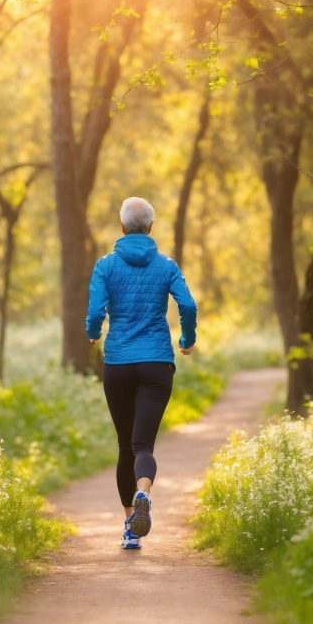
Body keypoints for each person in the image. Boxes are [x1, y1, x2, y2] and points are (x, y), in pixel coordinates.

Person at [86, 197, 197, 549]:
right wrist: (187, 338)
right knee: (142, 445)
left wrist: (93, 333)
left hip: (118, 363)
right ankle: (143, 495)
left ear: (122, 227)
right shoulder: (166, 266)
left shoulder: (105, 265)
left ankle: (130, 530)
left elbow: (95, 310)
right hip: (156, 364)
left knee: (124, 446)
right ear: (150, 227)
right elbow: (188, 305)